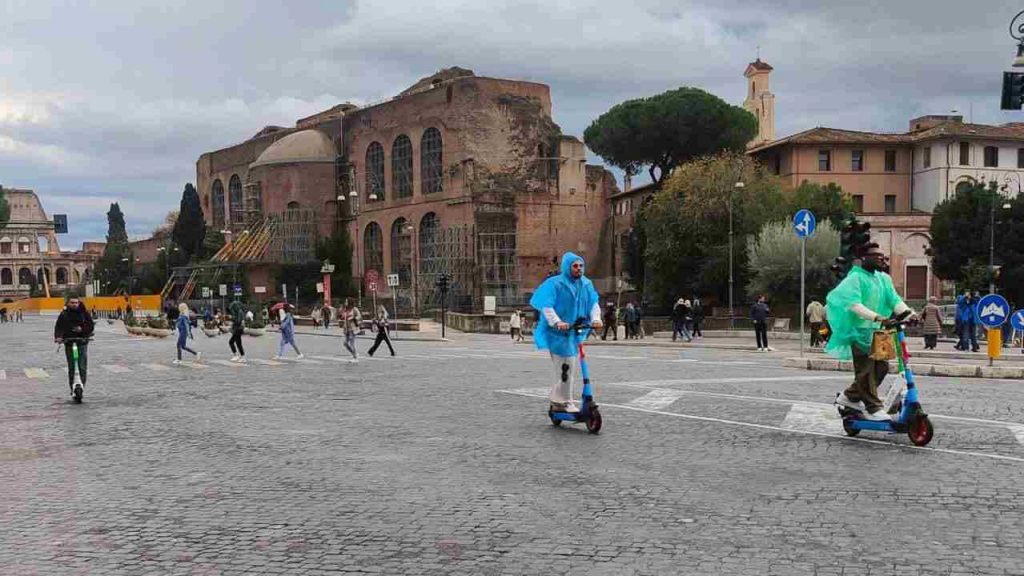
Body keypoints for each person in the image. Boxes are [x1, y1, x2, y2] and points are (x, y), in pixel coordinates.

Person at [828, 245, 915, 421]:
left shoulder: (884, 278)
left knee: (882, 368)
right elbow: (853, 304)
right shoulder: (854, 278)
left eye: (883, 256)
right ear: (863, 258)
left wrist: (910, 314)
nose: (881, 259)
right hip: (860, 331)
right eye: (876, 256)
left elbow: (894, 300)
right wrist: (877, 317)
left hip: (881, 331)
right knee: (866, 370)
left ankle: (850, 396)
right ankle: (873, 408)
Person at [529, 252, 603, 413]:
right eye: (575, 266)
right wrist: (557, 322)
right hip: (557, 334)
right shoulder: (555, 284)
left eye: (581, 266)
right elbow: (547, 306)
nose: (579, 269)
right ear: (567, 267)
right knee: (565, 367)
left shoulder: (586, 284)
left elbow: (593, 304)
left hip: (574, 331)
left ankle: (558, 401)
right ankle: (564, 401)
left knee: (568, 366)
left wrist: (596, 318)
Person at [54, 296, 94, 397]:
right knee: (72, 367)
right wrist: (58, 337)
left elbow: (90, 326)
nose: (74, 304)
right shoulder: (64, 314)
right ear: (68, 303)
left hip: (82, 342)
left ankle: (82, 386)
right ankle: (72, 388)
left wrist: (82, 330)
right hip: (69, 342)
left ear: (79, 303)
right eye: (72, 302)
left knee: (82, 367)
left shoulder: (84, 313)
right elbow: (59, 327)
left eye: (76, 303)